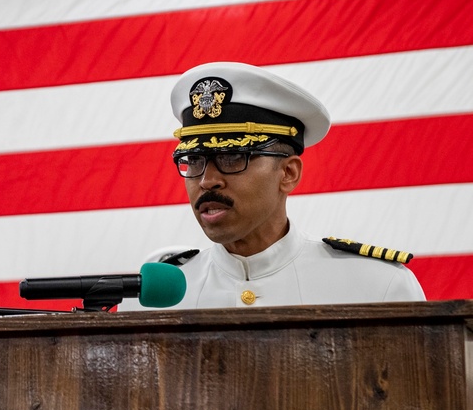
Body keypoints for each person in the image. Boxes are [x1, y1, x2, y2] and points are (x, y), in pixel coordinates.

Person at [166, 61, 425, 308]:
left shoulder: (380, 287)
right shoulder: (159, 295)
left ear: (288, 173)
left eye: (233, 157)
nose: (207, 181)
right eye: (194, 160)